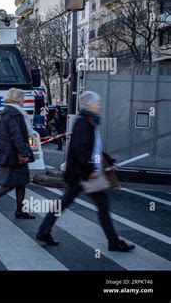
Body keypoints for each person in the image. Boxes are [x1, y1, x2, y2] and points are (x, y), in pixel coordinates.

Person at [36, 91, 135, 252]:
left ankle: (43, 231)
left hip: (80, 173)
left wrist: (109, 161)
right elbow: (80, 149)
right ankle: (113, 241)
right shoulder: (84, 122)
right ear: (89, 104)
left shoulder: (89, 121)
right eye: (97, 103)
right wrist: (89, 171)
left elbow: (94, 148)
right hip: (82, 174)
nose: (99, 106)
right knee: (101, 206)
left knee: (64, 204)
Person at [0, 87, 36, 219]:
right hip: (13, 155)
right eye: (22, 97)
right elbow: (16, 135)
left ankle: (20, 210)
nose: (24, 100)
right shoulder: (13, 114)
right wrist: (24, 152)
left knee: (22, 182)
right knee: (11, 184)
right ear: (17, 99)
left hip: (13, 153)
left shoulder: (13, 112)